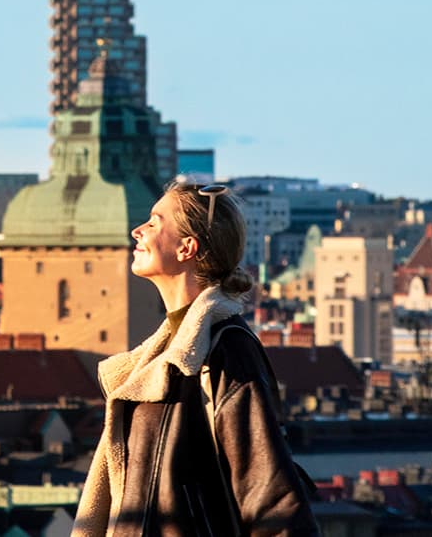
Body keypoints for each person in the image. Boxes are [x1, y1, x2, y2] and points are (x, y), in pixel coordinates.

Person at [73, 181, 319, 536]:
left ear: (187, 247)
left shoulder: (227, 352)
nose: (137, 230)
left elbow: (273, 500)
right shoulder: (156, 360)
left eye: (154, 223)